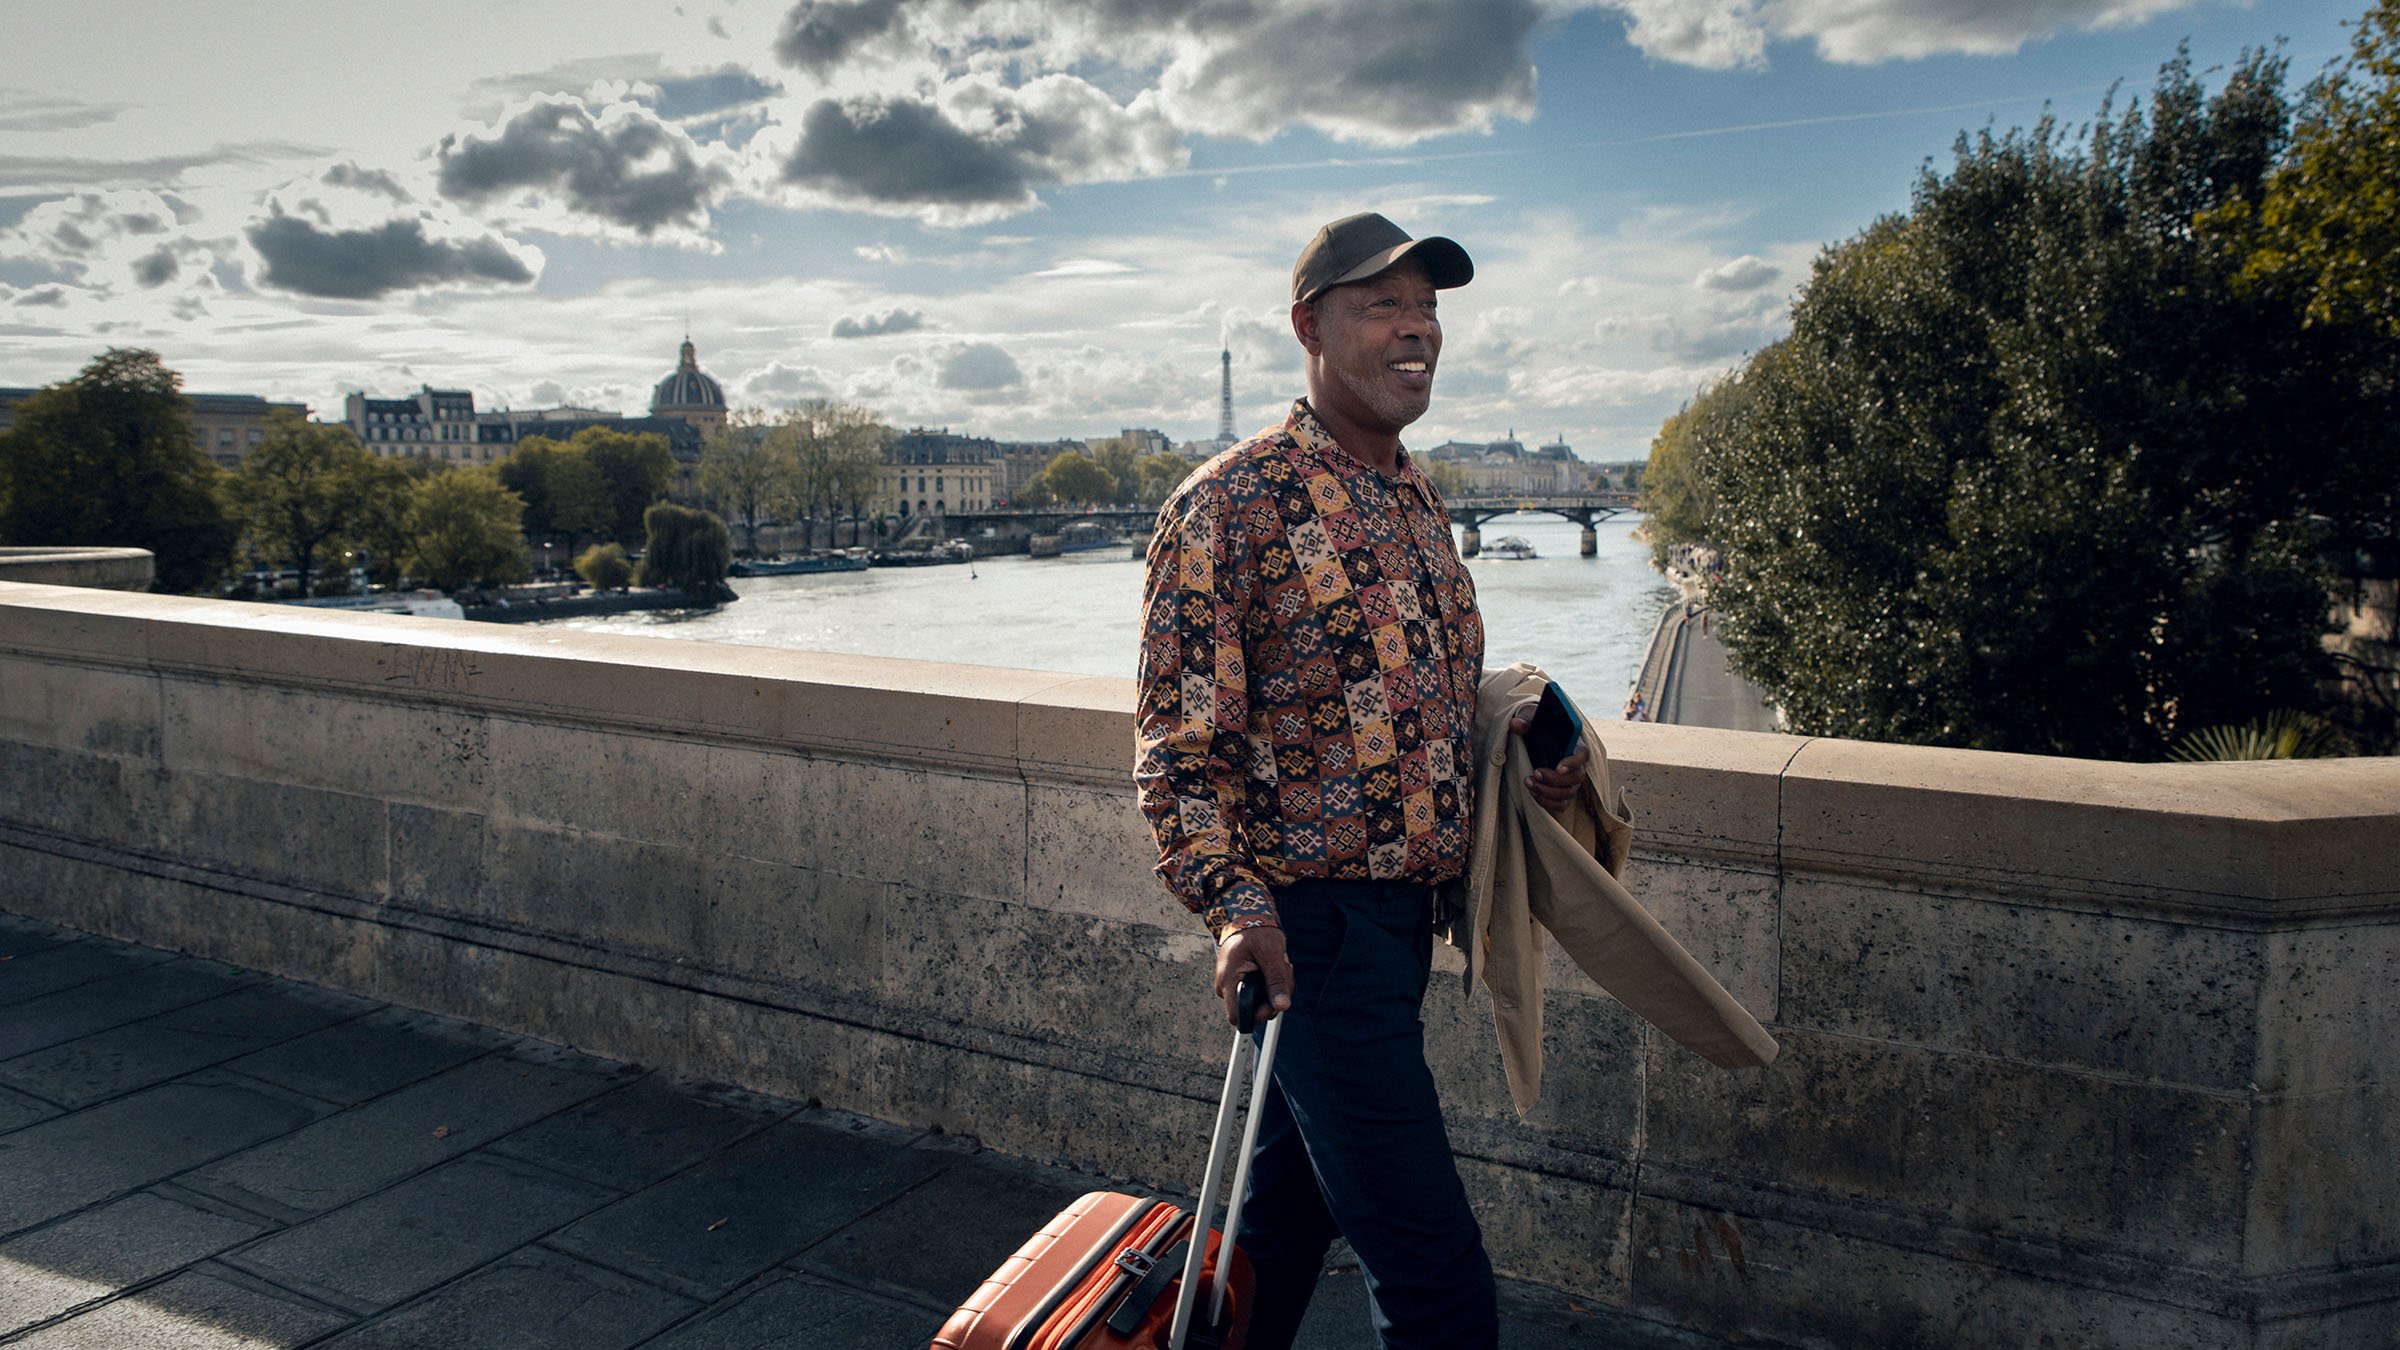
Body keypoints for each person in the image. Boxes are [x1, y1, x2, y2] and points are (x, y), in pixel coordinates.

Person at [1135, 212, 1587, 1350]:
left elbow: (1433, 692)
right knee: (1439, 1287)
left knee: (1267, 1248)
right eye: (1383, 306)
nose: (1416, 330)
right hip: (1312, 939)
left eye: (1427, 309)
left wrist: (1531, 731)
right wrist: (1239, 911)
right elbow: (1181, 752)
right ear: (1308, 329)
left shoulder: (1418, 500)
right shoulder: (1229, 505)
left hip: (1397, 931)